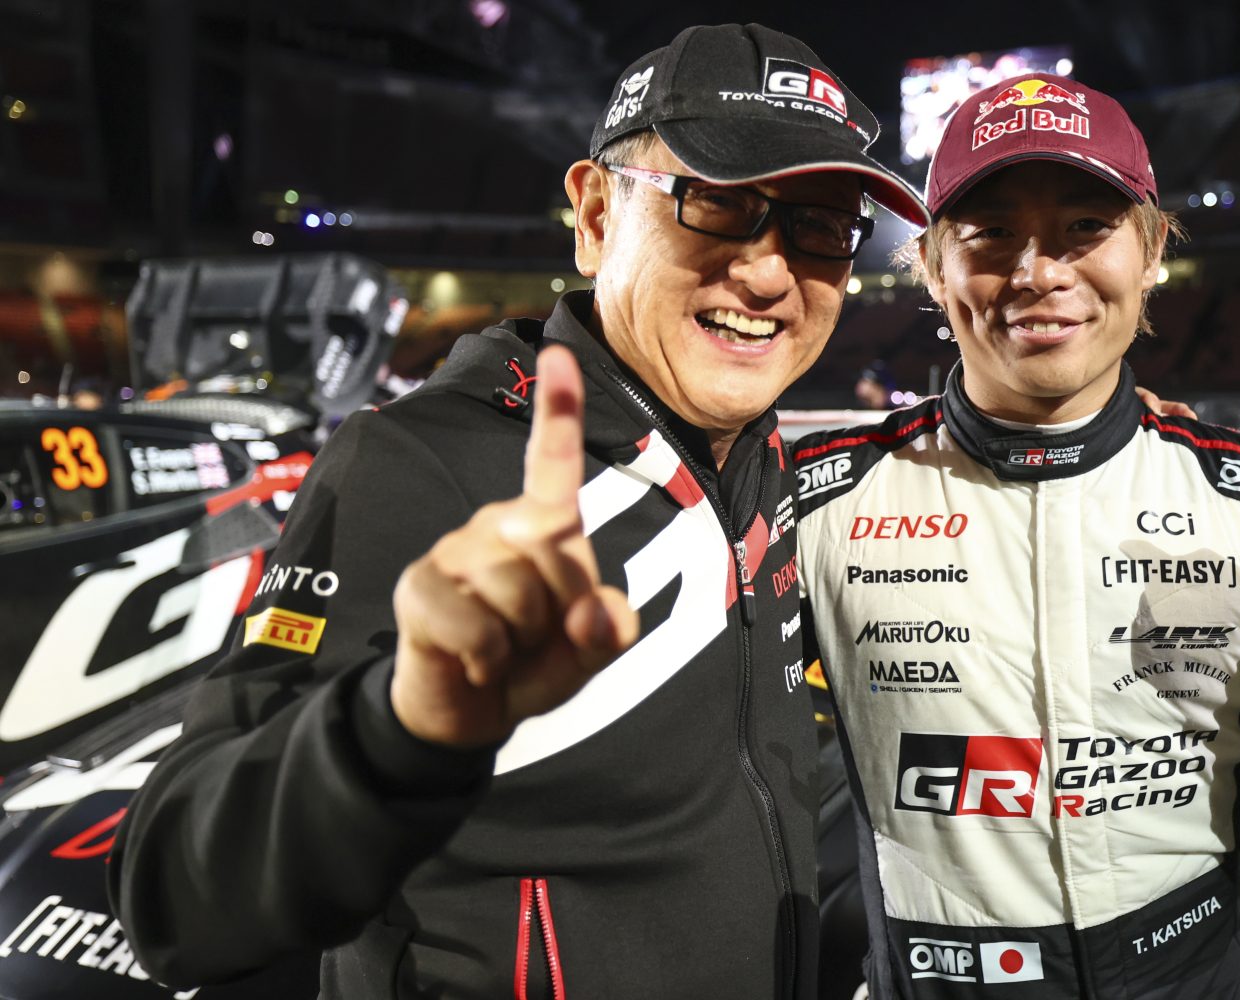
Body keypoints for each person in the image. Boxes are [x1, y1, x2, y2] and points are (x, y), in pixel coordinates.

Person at [108, 24, 931, 999]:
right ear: (595, 215)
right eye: (717, 203)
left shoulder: (761, 460)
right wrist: (400, 724)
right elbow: (174, 904)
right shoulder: (421, 463)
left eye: (820, 225)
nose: (766, 273)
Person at [793, 73, 1240, 998]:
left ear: (1152, 251)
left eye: (1085, 226)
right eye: (990, 233)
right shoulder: (817, 499)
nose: (1039, 272)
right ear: (931, 267)